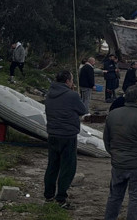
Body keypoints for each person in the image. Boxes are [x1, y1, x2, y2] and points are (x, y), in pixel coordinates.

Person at [103, 85, 137, 220]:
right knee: (136, 197)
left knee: (115, 196)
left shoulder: (112, 115)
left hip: (118, 163)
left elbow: (106, 140)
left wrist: (114, 154)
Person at [44, 70, 87, 209]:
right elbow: (83, 110)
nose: (73, 82)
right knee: (67, 168)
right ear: (68, 81)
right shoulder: (72, 95)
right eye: (72, 80)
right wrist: (74, 93)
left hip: (52, 134)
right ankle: (61, 198)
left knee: (52, 165)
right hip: (67, 135)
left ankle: (48, 195)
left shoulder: (50, 93)